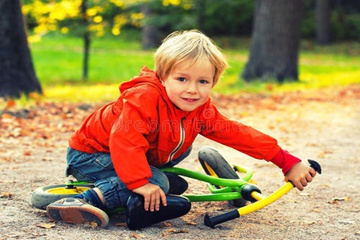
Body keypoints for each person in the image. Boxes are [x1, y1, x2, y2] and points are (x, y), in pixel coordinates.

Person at [46, 30, 317, 229]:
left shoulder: (200, 108)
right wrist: (142, 182)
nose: (192, 89)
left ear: (213, 82)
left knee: (177, 162)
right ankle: (85, 200)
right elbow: (124, 141)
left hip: (131, 155)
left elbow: (237, 133)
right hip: (92, 155)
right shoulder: (144, 98)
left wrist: (285, 160)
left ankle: (137, 183)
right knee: (158, 182)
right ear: (163, 76)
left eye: (202, 81)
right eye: (182, 79)